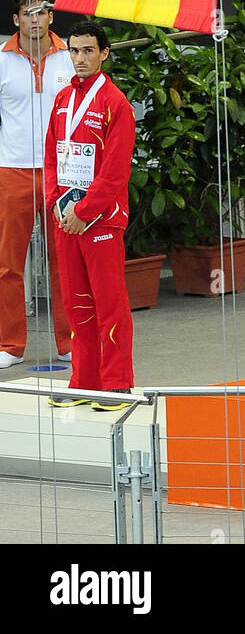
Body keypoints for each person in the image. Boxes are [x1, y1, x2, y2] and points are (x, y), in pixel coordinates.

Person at [44, 21, 136, 410]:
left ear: (104, 53)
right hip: (67, 219)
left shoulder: (116, 104)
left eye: (87, 51)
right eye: (74, 51)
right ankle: (84, 380)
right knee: (76, 303)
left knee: (108, 302)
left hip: (100, 220)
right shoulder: (63, 98)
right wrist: (55, 203)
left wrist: (84, 211)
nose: (80, 58)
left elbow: (115, 172)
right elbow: (50, 156)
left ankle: (117, 384)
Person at [0, 0, 73, 369]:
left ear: (51, 16)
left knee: (66, 259)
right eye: (27, 12)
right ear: (16, 19)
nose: (35, 18)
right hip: (11, 168)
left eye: (42, 10)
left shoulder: (69, 58)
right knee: (7, 262)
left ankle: (70, 341)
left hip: (61, 171)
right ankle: (10, 344)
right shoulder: (0, 59)